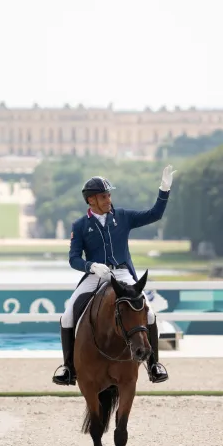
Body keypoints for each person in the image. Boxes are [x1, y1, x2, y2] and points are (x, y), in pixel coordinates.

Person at [52, 165, 176, 386]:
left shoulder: (123, 216)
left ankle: (154, 365)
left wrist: (164, 189)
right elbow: (73, 259)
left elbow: (155, 214)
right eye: (103, 196)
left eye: (109, 195)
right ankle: (68, 367)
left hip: (122, 273)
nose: (108, 199)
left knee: (150, 315)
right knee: (68, 315)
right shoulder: (80, 225)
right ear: (91, 200)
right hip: (95, 275)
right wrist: (91, 266)